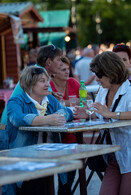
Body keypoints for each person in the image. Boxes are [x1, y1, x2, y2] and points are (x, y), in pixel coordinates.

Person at [75, 51, 131, 195]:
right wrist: (87, 114)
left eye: (99, 75)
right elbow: (100, 115)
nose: (96, 79)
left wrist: (111, 114)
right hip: (113, 157)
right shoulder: (103, 92)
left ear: (110, 73)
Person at [6, 66, 74, 195]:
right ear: (30, 83)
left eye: (47, 81)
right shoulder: (16, 101)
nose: (47, 84)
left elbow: (68, 112)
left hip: (52, 157)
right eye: (42, 81)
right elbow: (16, 118)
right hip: (27, 160)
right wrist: (47, 119)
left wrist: (60, 115)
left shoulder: (50, 99)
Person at [0, 44, 63, 150]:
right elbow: (18, 118)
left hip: (17, 125)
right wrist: (50, 119)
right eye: (59, 60)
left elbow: (56, 104)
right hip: (11, 128)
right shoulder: (36, 74)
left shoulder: (40, 74)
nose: (61, 63)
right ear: (49, 62)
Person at [50, 56, 79, 194]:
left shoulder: (73, 82)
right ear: (53, 72)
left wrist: (64, 103)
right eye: (62, 69)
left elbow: (87, 101)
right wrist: (71, 103)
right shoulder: (48, 85)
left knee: (67, 180)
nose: (67, 72)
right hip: (51, 135)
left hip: (71, 133)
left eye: (68, 69)